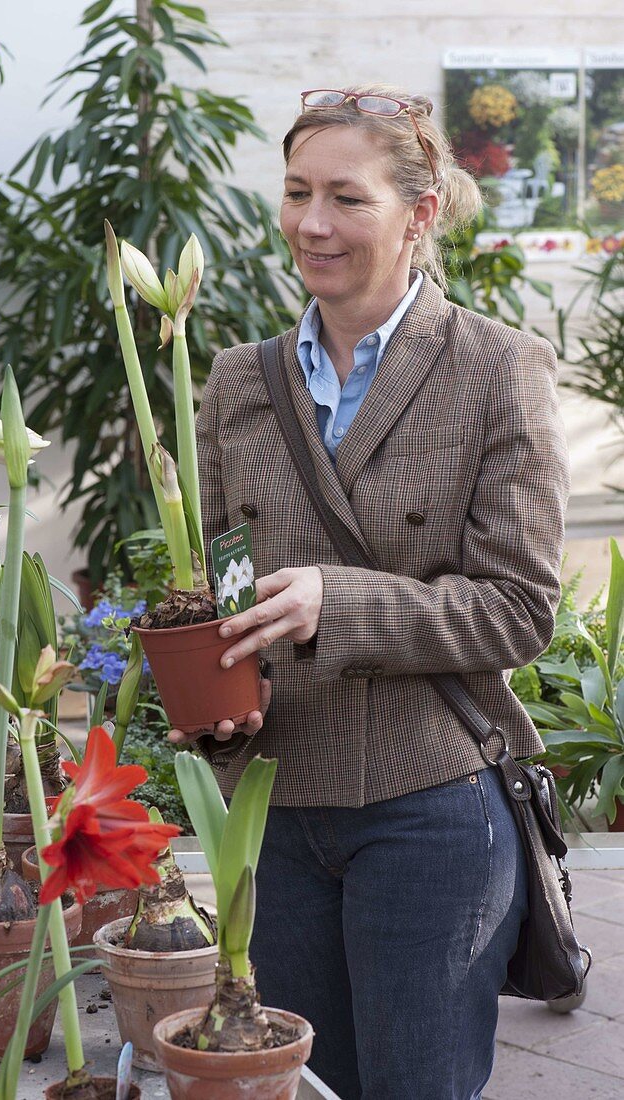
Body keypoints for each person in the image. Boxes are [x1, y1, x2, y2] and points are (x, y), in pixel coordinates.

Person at [168, 85, 570, 1100]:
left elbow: (519, 608)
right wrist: (210, 700)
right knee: (316, 1085)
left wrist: (335, 601)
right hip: (276, 806)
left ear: (421, 211)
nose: (312, 223)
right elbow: (223, 588)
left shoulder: (495, 368)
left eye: (347, 196)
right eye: (297, 192)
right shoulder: (237, 382)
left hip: (430, 803)